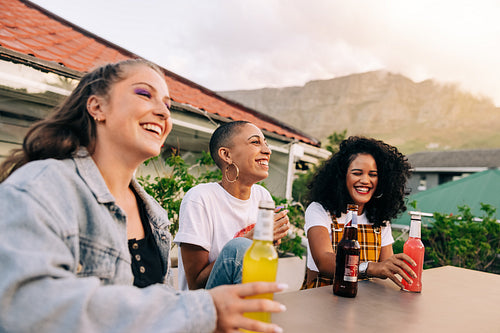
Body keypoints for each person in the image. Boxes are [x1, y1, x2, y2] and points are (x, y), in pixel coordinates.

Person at [0, 59, 287, 333]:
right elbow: (25, 309)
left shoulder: (153, 214)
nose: (163, 112)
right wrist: (201, 311)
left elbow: (160, 298)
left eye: (167, 104)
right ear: (97, 106)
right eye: (144, 94)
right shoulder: (43, 186)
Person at [174, 121, 290, 290]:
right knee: (238, 247)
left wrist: (270, 240)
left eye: (266, 143)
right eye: (255, 142)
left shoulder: (262, 197)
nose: (267, 150)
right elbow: (196, 285)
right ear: (226, 155)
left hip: (250, 297)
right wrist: (253, 238)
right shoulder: (200, 198)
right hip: (207, 306)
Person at [303, 136, 417, 289]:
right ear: (341, 177)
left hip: (364, 302)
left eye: (373, 174)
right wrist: (370, 268)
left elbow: (385, 268)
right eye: (357, 173)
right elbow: (323, 261)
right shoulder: (319, 209)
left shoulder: (380, 218)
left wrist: (395, 267)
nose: (365, 180)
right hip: (321, 298)